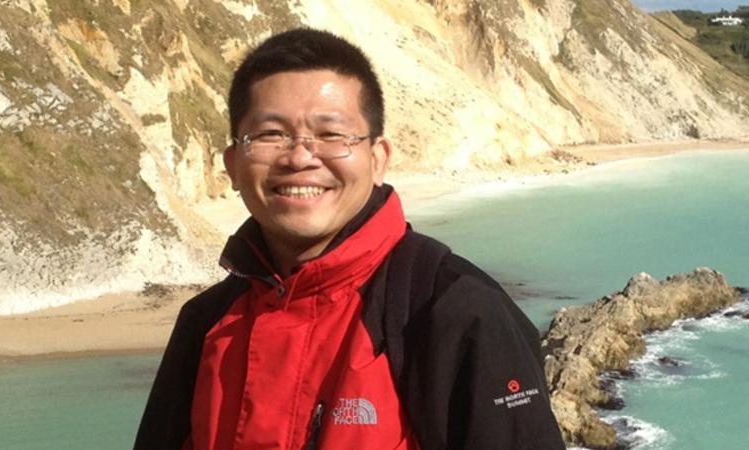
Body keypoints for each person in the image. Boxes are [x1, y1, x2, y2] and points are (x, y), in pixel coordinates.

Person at [135, 28, 565, 450]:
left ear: (378, 159)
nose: (300, 157)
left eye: (331, 135)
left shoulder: (456, 313)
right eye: (271, 135)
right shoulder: (206, 323)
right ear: (232, 165)